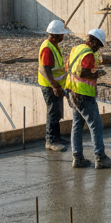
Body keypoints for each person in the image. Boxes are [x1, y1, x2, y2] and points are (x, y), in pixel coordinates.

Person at [64, 28, 111, 169]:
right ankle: (100, 158)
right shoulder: (88, 53)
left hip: (72, 90)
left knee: (77, 124)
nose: (98, 49)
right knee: (96, 125)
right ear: (93, 41)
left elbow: (67, 67)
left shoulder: (76, 49)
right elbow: (84, 72)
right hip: (83, 94)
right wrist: (96, 74)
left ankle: (77, 158)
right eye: (99, 45)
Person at [37, 19, 69, 151]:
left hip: (55, 84)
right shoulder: (47, 48)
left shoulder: (53, 45)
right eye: (62, 34)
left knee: (56, 112)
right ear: (55, 35)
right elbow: (45, 69)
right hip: (50, 86)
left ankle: (57, 137)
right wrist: (55, 86)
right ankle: (50, 140)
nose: (63, 37)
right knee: (52, 112)